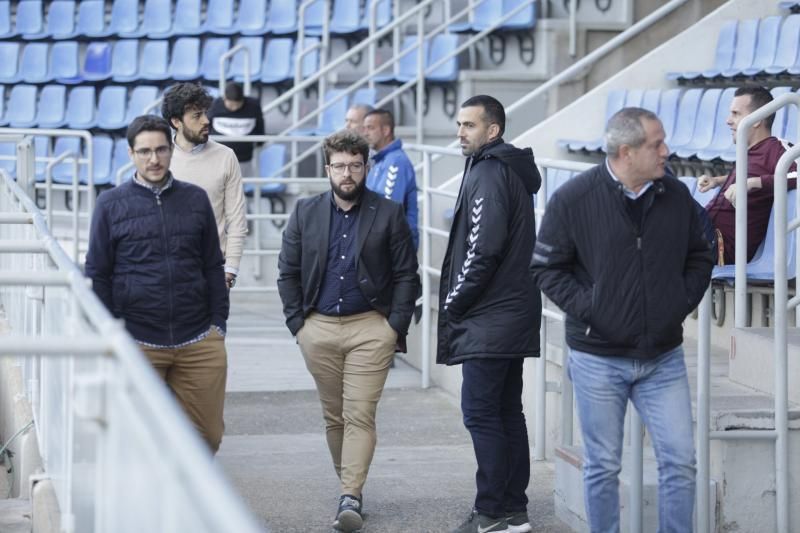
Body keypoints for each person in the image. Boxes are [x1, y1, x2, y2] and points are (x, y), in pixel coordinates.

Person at [531, 107, 714, 533]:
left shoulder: (676, 195)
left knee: (681, 461)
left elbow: (701, 254)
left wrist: (676, 303)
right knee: (602, 467)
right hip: (598, 358)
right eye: (657, 144)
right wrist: (595, 310)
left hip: (662, 357)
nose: (667, 151)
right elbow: (545, 268)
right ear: (626, 152)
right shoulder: (574, 198)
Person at [277, 130, 419, 532]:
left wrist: (393, 327)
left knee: (359, 414)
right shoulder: (306, 211)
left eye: (355, 166)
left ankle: (350, 495)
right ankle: (349, 486)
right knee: (334, 416)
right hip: (317, 328)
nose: (347, 173)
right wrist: (298, 325)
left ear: (366, 168)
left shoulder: (387, 213)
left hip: (370, 329)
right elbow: (287, 271)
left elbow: (407, 275)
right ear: (327, 169)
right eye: (339, 166)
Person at [85, 115, 229, 453]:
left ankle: (187, 497)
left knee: (207, 436)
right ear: (131, 154)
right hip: (138, 339)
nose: (154, 159)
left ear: (171, 151)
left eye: (161, 150)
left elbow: (212, 263)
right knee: (138, 440)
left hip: (198, 339)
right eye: (145, 151)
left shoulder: (195, 199)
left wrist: (218, 324)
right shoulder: (110, 204)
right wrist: (112, 330)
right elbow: (98, 273)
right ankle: (162, 504)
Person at [438, 95, 542, 533]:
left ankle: (491, 512)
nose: (461, 133)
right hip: (509, 314)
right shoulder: (500, 168)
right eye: (459, 124)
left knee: (482, 413)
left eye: (469, 125)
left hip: (491, 317)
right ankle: (512, 510)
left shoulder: (490, 172)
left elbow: (482, 251)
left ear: (493, 131)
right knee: (505, 412)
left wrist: (452, 303)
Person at [161, 82, 248, 290]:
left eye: (205, 113)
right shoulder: (160, 159)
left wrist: (231, 269)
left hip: (212, 273)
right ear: (176, 122)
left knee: (213, 325)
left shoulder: (226, 156)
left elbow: (237, 219)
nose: (206, 120)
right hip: (167, 272)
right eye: (196, 116)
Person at [697, 86, 797, 264]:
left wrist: (752, 183)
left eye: (736, 113)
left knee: (669, 197)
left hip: (722, 244)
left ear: (757, 120)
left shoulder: (776, 148)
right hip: (705, 234)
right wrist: (718, 180)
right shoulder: (748, 153)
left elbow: (796, 174)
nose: (728, 121)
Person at [363, 108, 419, 250]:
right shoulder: (380, 160)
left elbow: (388, 211)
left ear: (386, 130)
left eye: (370, 128)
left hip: (396, 247)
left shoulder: (396, 162)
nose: (365, 133)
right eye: (364, 128)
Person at [207, 81, 266, 178]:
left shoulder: (253, 105)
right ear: (224, 99)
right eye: (230, 105)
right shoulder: (215, 105)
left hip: (243, 156)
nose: (234, 108)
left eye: (237, 105)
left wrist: (260, 142)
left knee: (240, 186)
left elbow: (260, 124)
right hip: (218, 155)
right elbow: (207, 125)